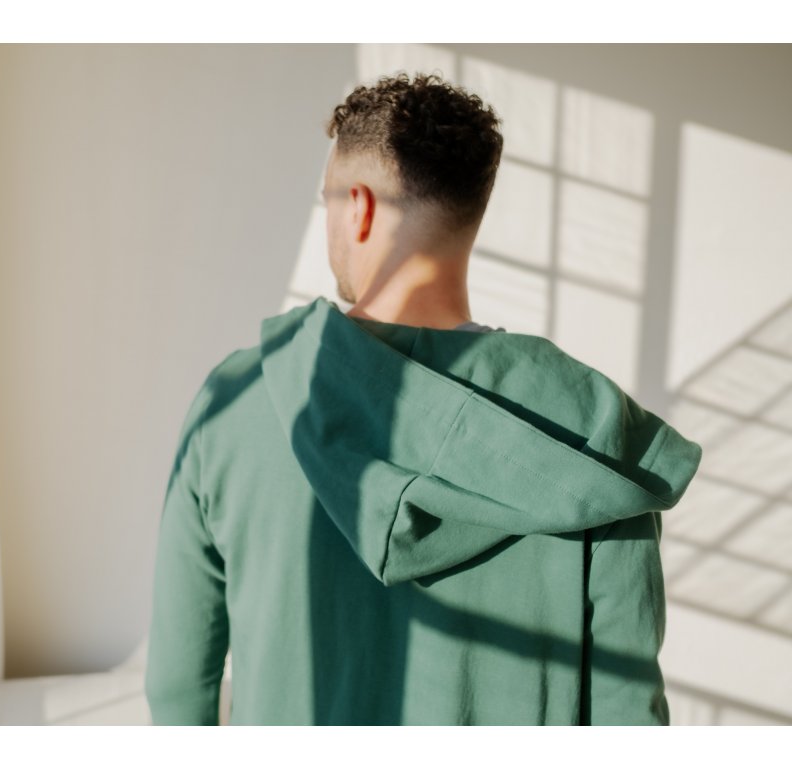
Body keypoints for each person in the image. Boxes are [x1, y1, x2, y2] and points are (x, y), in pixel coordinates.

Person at [144, 73, 703, 725]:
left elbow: (179, 686)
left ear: (359, 207)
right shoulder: (592, 439)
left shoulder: (237, 403)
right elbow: (627, 714)